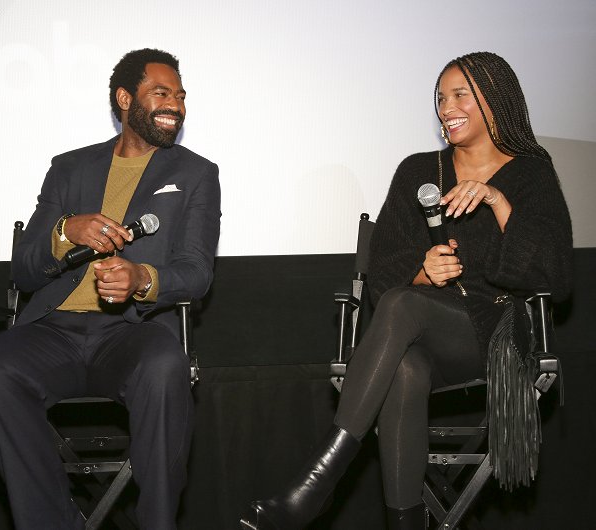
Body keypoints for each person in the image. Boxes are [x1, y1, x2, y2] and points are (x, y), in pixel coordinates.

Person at [240, 51, 572, 529]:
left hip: (498, 332)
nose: (446, 107)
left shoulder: (531, 172)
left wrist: (498, 202)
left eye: (461, 95)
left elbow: (556, 276)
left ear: (495, 101)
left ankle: (315, 486)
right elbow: (384, 270)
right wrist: (422, 271)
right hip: (427, 330)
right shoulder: (418, 170)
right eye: (440, 98)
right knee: (404, 368)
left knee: (402, 306)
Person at [0, 48, 221, 530]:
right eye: (161, 93)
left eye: (181, 95)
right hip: (54, 331)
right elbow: (23, 271)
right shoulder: (68, 169)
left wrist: (143, 279)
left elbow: (197, 271)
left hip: (131, 333)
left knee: (165, 368)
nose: (176, 104)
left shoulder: (195, 174)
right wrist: (66, 233)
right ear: (126, 99)